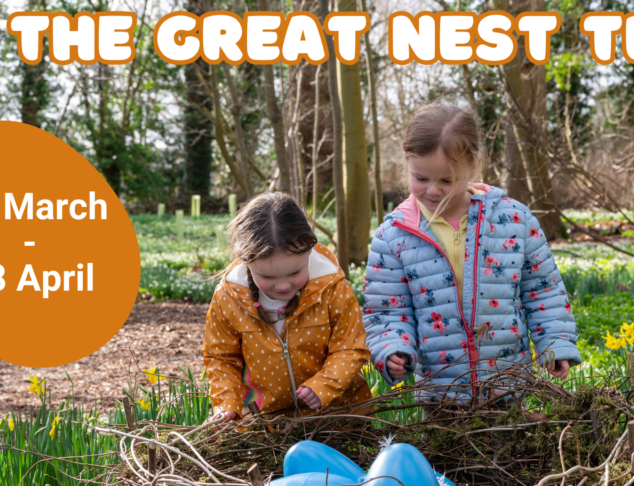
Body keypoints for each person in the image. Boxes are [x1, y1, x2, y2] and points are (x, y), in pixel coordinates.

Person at [363, 103, 582, 407]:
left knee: (510, 455)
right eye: (421, 178)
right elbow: (388, 310)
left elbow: (543, 290)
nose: (433, 190)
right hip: (440, 392)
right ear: (408, 166)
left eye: (446, 180)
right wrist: (392, 348)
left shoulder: (514, 221)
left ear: (473, 166)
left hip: (506, 385)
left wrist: (555, 343)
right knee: (444, 456)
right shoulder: (395, 235)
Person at [203, 193, 372, 421]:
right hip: (265, 425)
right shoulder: (229, 298)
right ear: (245, 260)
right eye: (267, 276)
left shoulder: (332, 288)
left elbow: (351, 348)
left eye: (295, 272)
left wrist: (325, 386)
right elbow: (221, 358)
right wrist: (228, 403)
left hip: (337, 416)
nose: (283, 285)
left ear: (309, 251)